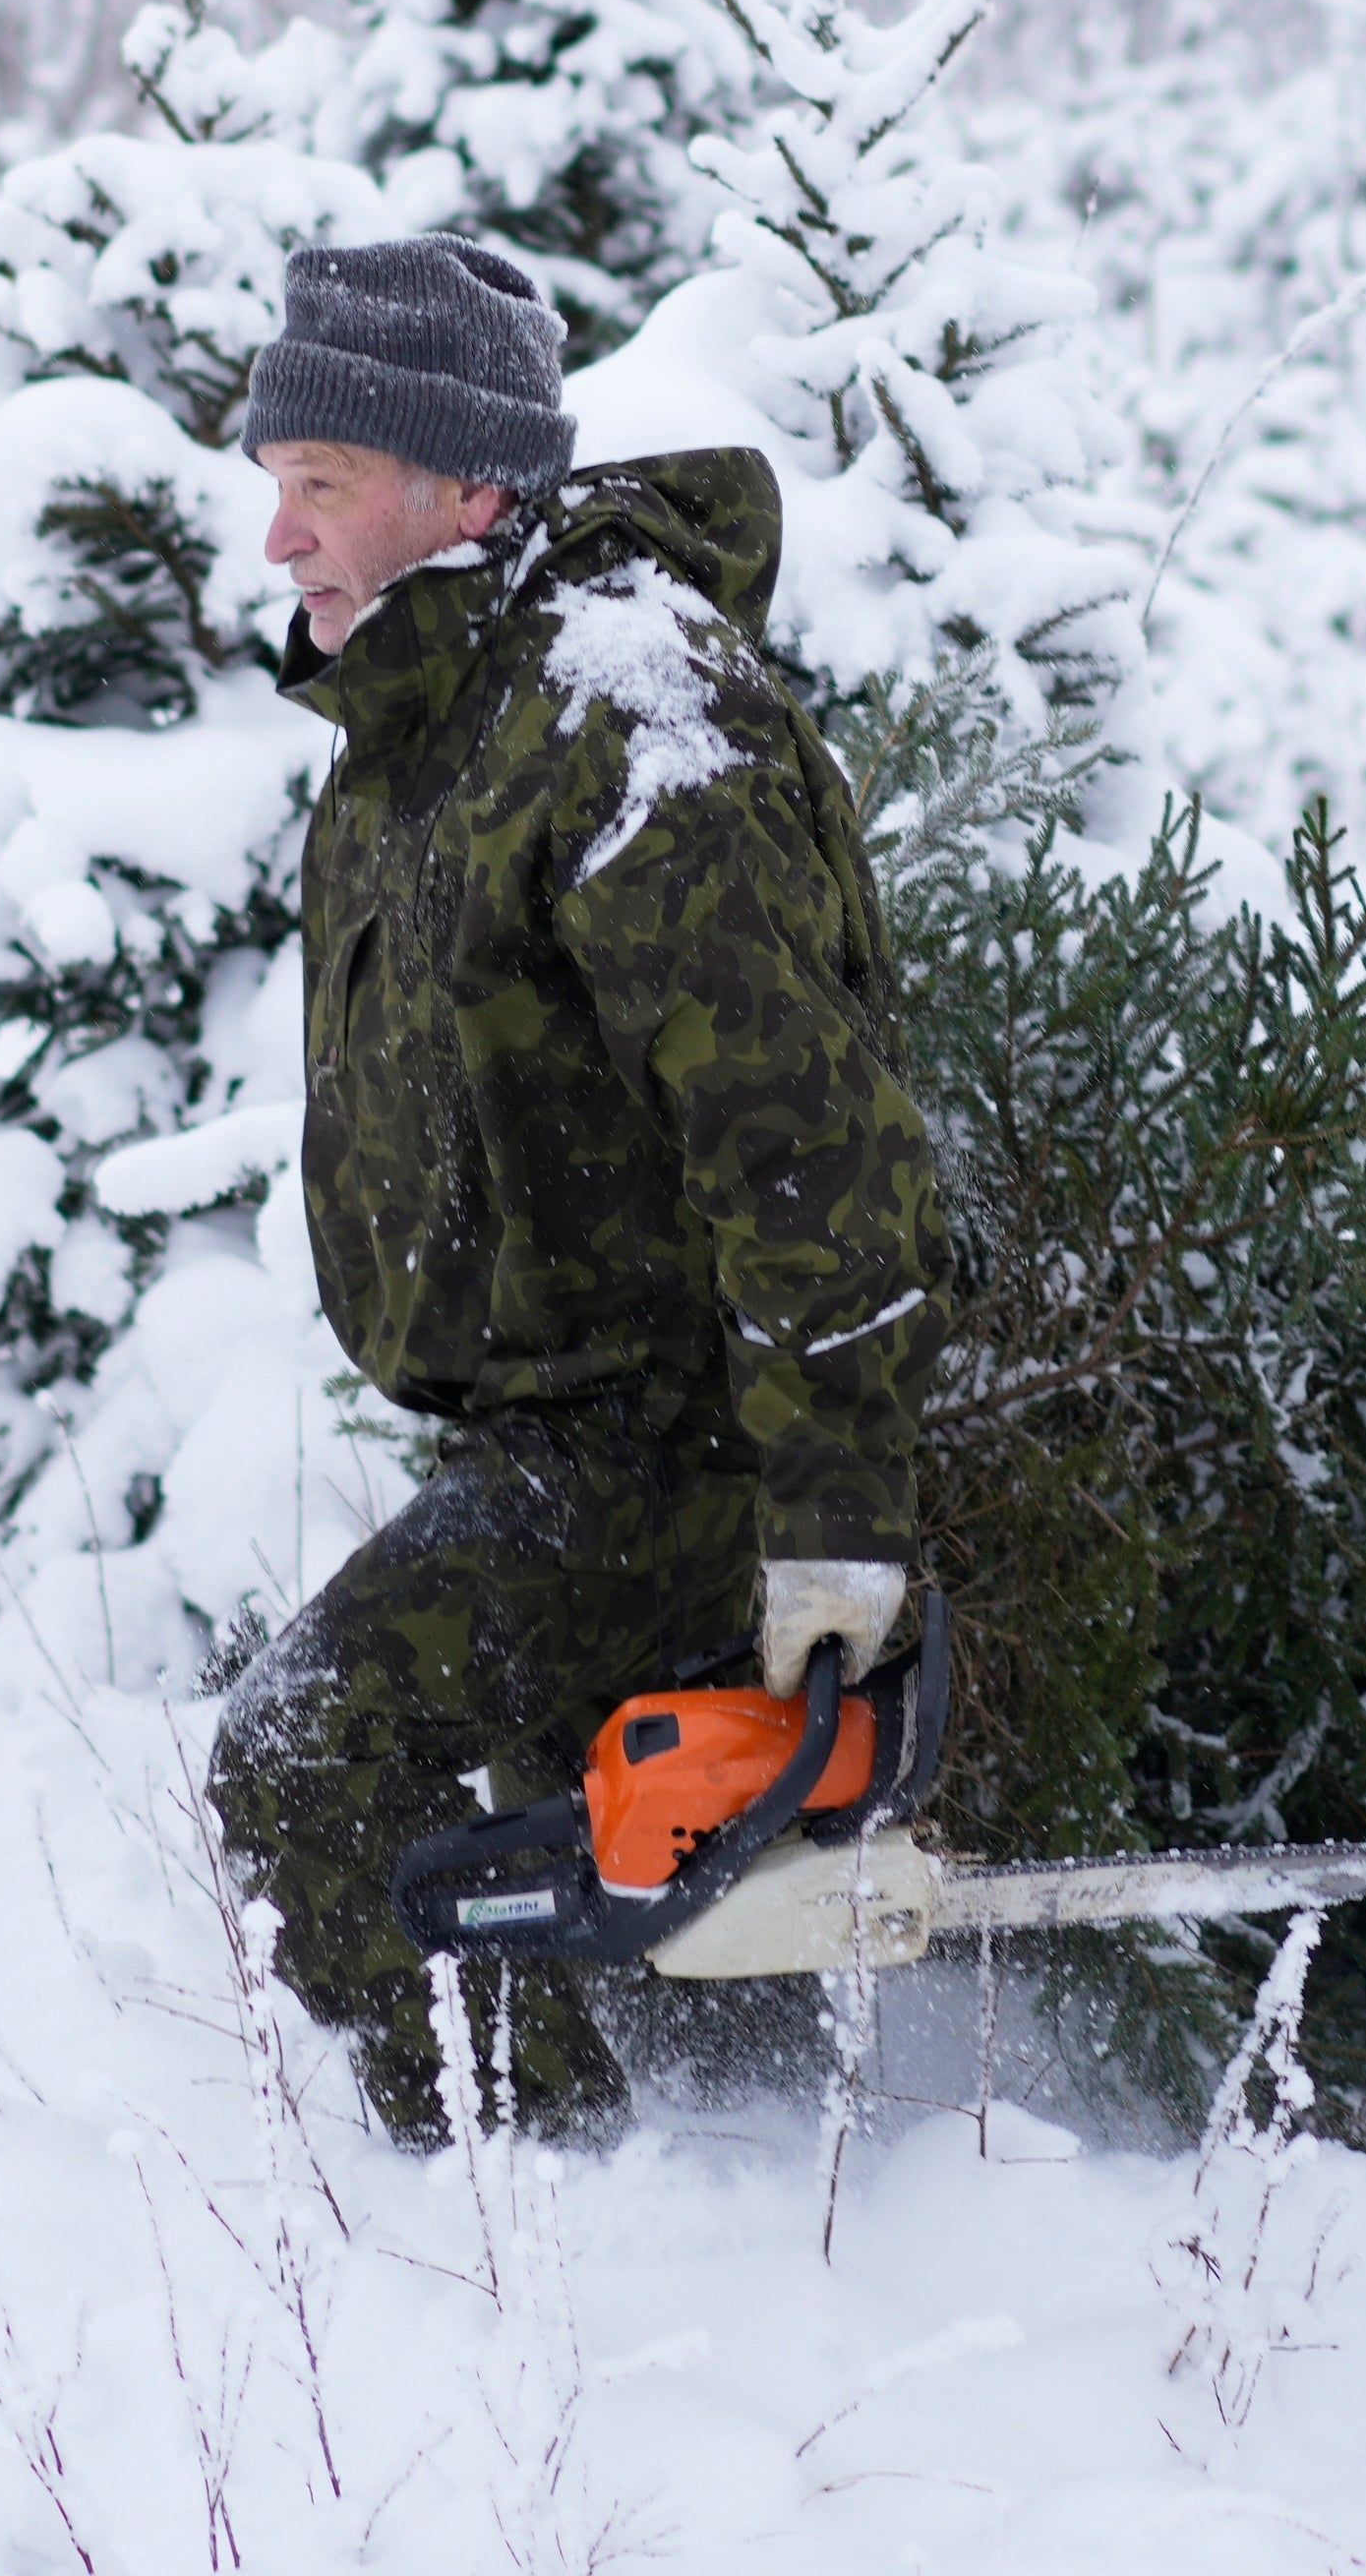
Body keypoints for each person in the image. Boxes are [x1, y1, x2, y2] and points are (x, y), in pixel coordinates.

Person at [202, 231, 939, 2143]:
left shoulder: (631, 716)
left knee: (311, 1763)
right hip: (537, 1443)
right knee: (657, 1929)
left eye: (321, 485)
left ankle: (528, 2216)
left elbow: (809, 1141)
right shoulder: (434, 711)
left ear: (470, 480)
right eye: (276, 486)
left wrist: (838, 1527)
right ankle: (739, 2219)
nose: (280, 540)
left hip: (664, 1454)